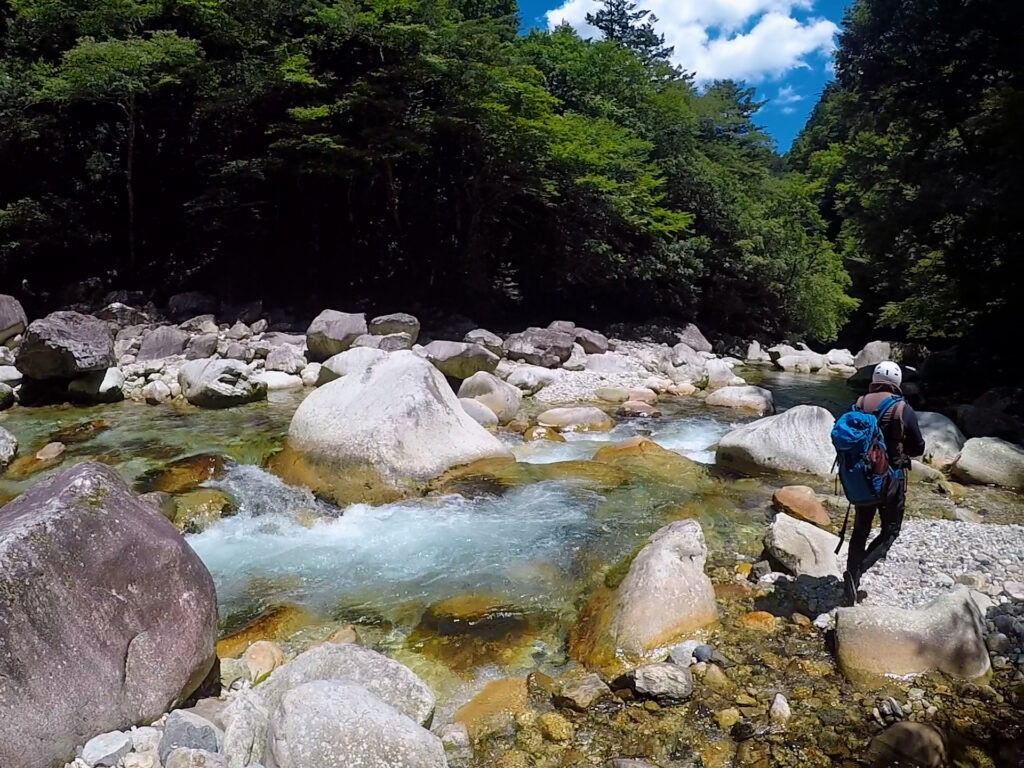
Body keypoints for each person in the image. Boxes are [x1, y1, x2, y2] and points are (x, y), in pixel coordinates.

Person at [843, 360, 926, 605]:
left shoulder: (858, 404)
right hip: (891, 481)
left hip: (862, 477)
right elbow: (919, 447)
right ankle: (857, 572)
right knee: (890, 531)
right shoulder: (902, 409)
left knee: (860, 530)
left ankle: (851, 580)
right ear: (897, 382)